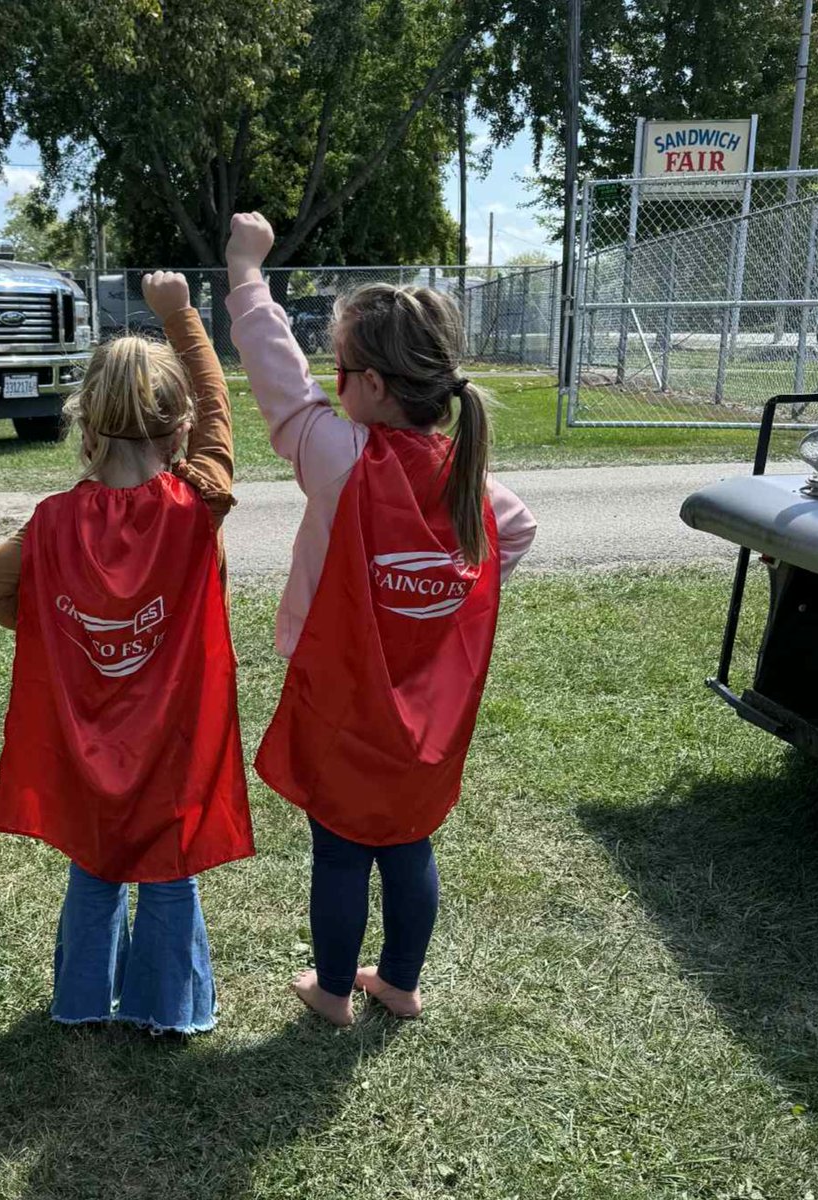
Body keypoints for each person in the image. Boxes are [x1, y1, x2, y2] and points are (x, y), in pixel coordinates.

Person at [224, 213, 537, 1026]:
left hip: (339, 697)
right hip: (428, 707)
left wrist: (246, 274)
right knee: (406, 842)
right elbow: (519, 531)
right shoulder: (467, 478)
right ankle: (398, 983)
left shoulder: (339, 455)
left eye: (341, 367)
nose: (329, 380)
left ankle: (332, 992)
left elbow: (276, 380)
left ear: (372, 386)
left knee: (339, 845)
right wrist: (443, 599)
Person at [0, 271, 253, 1034]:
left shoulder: (51, 524)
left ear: (85, 430)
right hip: (175, 740)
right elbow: (222, 413)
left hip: (86, 733)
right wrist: (180, 315)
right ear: (182, 431)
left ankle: (84, 1002)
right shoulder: (202, 504)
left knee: (92, 867)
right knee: (168, 870)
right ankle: (169, 1010)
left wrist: (73, 643)